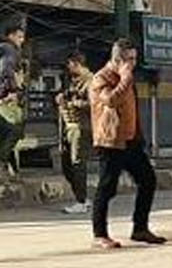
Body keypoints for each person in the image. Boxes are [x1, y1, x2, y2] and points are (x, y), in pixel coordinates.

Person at [88, 38, 164, 250]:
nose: (133, 63)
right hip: (111, 141)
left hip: (131, 140)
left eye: (135, 58)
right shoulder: (101, 78)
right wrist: (124, 77)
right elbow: (110, 100)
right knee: (107, 187)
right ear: (118, 59)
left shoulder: (127, 79)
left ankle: (140, 228)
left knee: (147, 180)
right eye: (129, 59)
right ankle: (99, 234)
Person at [0, 22, 28, 183]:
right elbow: (6, 70)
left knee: (5, 135)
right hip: (6, 97)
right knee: (15, 131)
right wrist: (13, 91)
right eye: (19, 37)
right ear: (11, 36)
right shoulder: (9, 49)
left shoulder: (0, 49)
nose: (22, 41)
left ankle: (10, 172)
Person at [56, 51, 94, 215]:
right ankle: (83, 197)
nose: (68, 68)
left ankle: (81, 200)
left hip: (81, 127)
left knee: (77, 164)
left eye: (70, 65)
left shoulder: (91, 81)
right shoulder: (73, 81)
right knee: (67, 165)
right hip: (68, 125)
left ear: (77, 64)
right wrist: (61, 98)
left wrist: (74, 103)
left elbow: (94, 104)